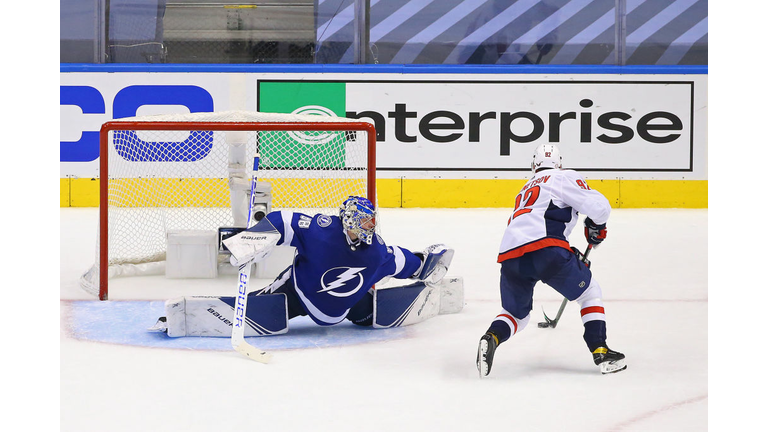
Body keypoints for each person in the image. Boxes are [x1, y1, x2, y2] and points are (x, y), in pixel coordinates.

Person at [150, 196, 458, 336]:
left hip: (347, 306)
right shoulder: (323, 231)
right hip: (298, 293)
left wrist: (424, 264)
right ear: (347, 220)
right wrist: (254, 240)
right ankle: (190, 318)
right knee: (264, 305)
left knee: (365, 313)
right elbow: (283, 221)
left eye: (371, 222)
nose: (368, 227)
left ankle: (365, 309)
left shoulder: (376, 253)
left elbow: (401, 261)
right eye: (363, 222)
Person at [476, 144, 626, 377]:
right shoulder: (563, 176)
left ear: (533, 165)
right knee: (590, 292)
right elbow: (599, 208)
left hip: (510, 256)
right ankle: (601, 350)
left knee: (516, 315)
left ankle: (492, 336)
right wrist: (596, 225)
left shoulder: (525, 188)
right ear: (560, 164)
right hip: (547, 250)